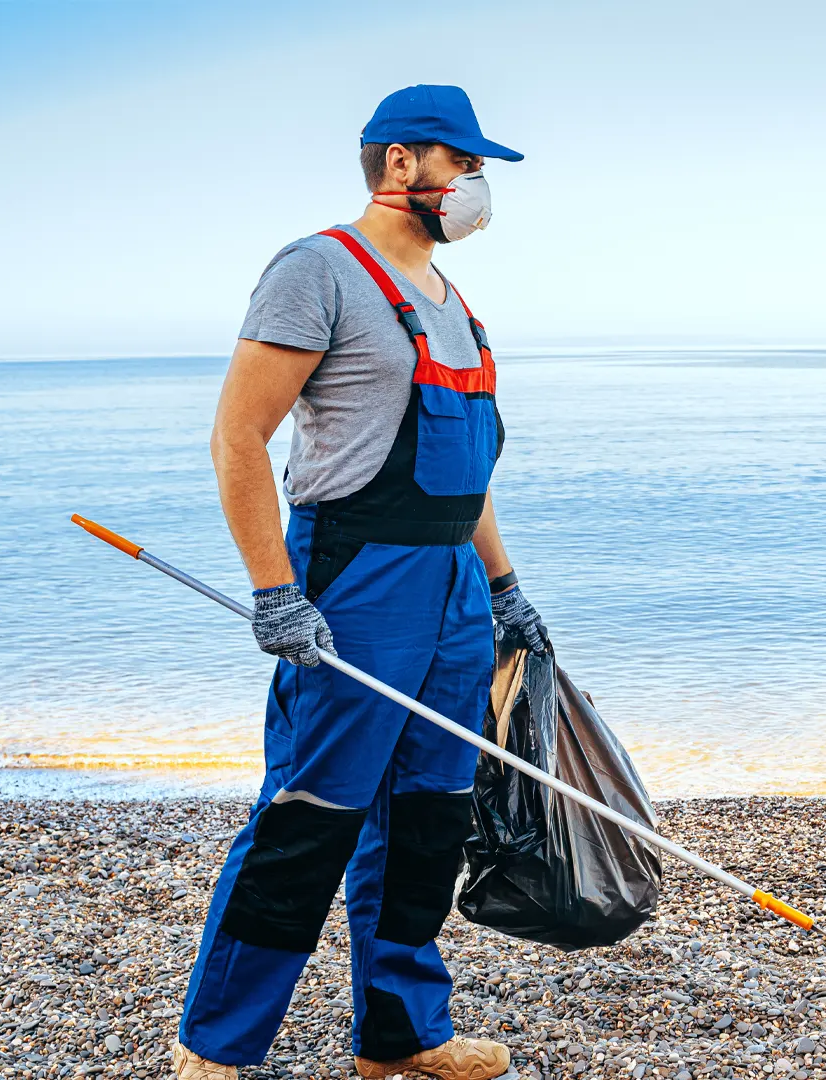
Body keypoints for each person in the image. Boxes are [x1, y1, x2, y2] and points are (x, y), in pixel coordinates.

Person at [172, 85, 546, 1080]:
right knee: (311, 815)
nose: (473, 184)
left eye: (477, 169)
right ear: (397, 167)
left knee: (430, 817)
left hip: (454, 589)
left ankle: (400, 1036)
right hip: (355, 581)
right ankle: (212, 1050)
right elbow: (238, 438)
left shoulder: (456, 306)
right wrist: (273, 590)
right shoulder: (318, 273)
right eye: (460, 164)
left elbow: (467, 476)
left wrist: (504, 588)